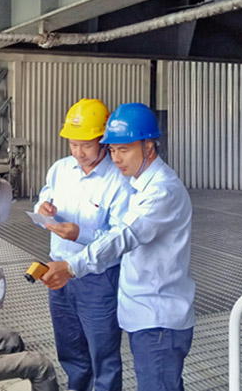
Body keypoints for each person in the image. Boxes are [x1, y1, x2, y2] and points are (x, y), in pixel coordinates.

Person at [43, 102, 196, 391]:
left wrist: (72, 266)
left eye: (124, 150)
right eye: (113, 150)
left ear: (148, 147)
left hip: (159, 319)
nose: (116, 158)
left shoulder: (161, 191)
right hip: (144, 314)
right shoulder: (140, 184)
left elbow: (124, 235)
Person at [35, 98, 132, 391]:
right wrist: (42, 207)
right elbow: (45, 194)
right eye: (73, 144)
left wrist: (80, 233)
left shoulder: (119, 180)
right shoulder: (60, 169)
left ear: (103, 141)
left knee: (103, 355)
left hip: (98, 279)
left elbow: (120, 237)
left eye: (86, 146)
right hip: (58, 273)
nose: (78, 153)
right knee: (70, 349)